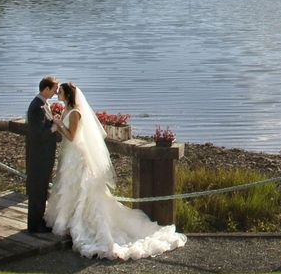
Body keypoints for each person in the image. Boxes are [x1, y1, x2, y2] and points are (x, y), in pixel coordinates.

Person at [45, 81, 187, 260]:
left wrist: (59, 125)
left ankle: (81, 223)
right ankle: (68, 219)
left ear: (67, 94)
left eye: (61, 91)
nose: (58, 93)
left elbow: (72, 136)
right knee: (69, 187)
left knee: (82, 189)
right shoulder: (68, 109)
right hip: (70, 155)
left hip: (77, 156)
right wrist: (59, 122)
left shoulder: (75, 113)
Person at [25, 76, 59, 234]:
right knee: (37, 190)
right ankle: (34, 225)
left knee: (42, 189)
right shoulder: (37, 107)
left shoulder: (43, 104)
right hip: (39, 157)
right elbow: (38, 134)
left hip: (43, 156)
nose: (55, 92)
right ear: (46, 89)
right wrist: (54, 128)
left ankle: (38, 221)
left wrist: (53, 122)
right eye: (54, 89)